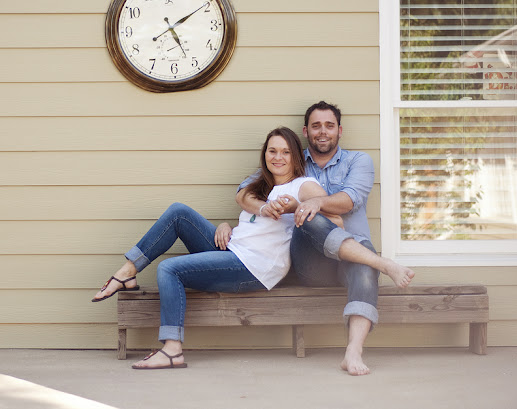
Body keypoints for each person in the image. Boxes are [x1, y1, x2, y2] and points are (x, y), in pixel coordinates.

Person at [92, 127, 342, 370]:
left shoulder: (303, 186)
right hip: (233, 249)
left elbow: (335, 222)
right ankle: (128, 271)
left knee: (169, 269)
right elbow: (255, 225)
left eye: (286, 152)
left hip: (253, 267)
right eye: (272, 151)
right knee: (179, 212)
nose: (278, 157)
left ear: (296, 156)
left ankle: (172, 350)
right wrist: (226, 225)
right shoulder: (261, 186)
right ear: (264, 154)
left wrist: (299, 207)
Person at [236, 101, 415, 376]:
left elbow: (349, 201)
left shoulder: (359, 161)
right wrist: (240, 218)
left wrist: (315, 202)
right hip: (312, 261)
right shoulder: (291, 162)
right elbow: (246, 191)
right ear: (306, 131)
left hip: (354, 251)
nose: (323, 132)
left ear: (339, 130)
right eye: (316, 126)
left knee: (363, 267)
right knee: (308, 217)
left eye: (329, 126)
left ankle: (353, 351)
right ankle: (383, 263)